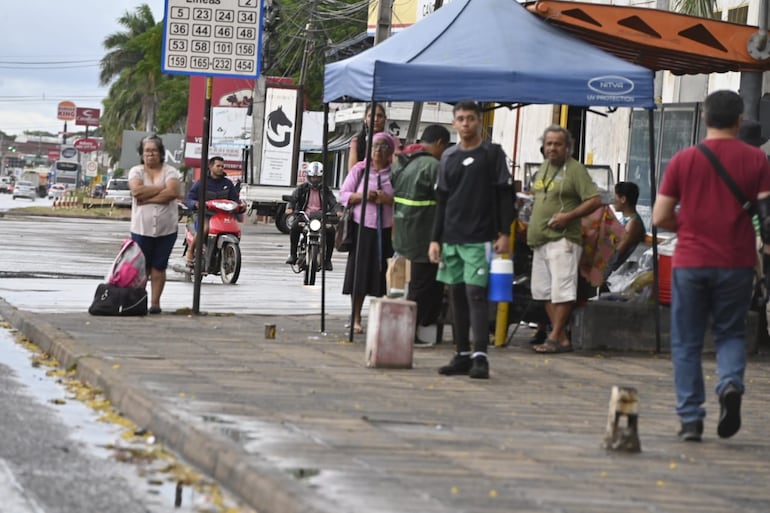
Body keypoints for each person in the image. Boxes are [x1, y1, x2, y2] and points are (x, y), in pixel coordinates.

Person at [652, 90, 770, 442]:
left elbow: (659, 216)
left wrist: (687, 225)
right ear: (739, 121)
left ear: (704, 118)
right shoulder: (757, 161)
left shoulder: (683, 160)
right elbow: (766, 216)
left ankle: (691, 418)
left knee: (686, 342)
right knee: (730, 333)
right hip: (736, 261)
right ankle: (730, 384)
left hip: (690, 261)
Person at [428, 101, 514, 379]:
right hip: (451, 237)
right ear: (454, 123)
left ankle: (480, 356)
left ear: (479, 122)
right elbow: (441, 200)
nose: (465, 123)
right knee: (455, 296)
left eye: (471, 119)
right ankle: (462, 353)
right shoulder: (448, 157)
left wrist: (504, 233)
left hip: (480, 237)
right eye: (461, 119)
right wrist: (435, 239)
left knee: (475, 294)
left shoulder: (492, 154)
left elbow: (505, 196)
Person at [527, 125, 602, 354]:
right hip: (540, 240)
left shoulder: (575, 170)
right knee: (543, 291)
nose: (552, 148)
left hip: (563, 240)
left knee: (563, 290)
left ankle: (553, 336)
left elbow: (595, 199)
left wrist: (569, 216)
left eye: (557, 144)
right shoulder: (544, 168)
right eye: (548, 144)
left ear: (567, 147)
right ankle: (561, 338)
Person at [391, 124, 451, 346]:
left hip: (404, 233)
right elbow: (445, 200)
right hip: (424, 236)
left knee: (409, 285)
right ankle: (410, 331)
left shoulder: (404, 162)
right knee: (422, 287)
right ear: (439, 144)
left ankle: (408, 329)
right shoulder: (433, 166)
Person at [339, 131, 397, 334]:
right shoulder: (360, 170)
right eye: (374, 146)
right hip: (362, 227)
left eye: (383, 146)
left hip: (387, 230)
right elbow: (343, 195)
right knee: (359, 274)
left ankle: (382, 318)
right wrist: (362, 196)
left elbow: (403, 199)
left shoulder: (395, 173)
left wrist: (388, 200)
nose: (378, 151)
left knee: (384, 275)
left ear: (390, 151)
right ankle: (355, 318)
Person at [128, 134, 182, 314]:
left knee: (159, 266)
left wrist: (148, 197)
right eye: (146, 151)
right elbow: (136, 191)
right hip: (140, 229)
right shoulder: (136, 171)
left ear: (161, 153)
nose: (150, 154)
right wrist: (161, 188)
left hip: (166, 230)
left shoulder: (170, 172)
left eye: (153, 151)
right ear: (141, 154)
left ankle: (155, 303)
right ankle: (138, 302)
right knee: (141, 267)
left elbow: (173, 192)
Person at [185, 156, 242, 268]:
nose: (221, 168)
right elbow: (189, 198)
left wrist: (240, 206)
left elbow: (235, 200)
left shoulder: (228, 183)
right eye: (218, 166)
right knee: (204, 229)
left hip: (223, 215)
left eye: (222, 166)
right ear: (211, 167)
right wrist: (196, 204)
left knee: (235, 229)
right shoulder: (202, 182)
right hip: (204, 214)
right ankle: (191, 252)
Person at [284, 162, 338, 271]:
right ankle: (293, 255)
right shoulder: (302, 188)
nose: (315, 180)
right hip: (305, 216)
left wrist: (337, 211)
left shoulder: (326, 190)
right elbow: (293, 198)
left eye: (317, 177)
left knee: (331, 231)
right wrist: (290, 207)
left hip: (322, 217)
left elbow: (333, 202)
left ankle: (327, 260)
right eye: (313, 177)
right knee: (294, 227)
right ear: (308, 176)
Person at [605, 181, 646, 279]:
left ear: (623, 199)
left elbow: (618, 251)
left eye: (614, 198)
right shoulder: (625, 220)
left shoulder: (633, 223)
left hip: (614, 273)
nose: (612, 200)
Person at [348, 104, 388, 171]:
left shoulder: (392, 141)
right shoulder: (357, 141)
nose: (375, 119)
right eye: (371, 116)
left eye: (379, 116)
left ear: (385, 119)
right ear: (365, 119)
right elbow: (352, 170)